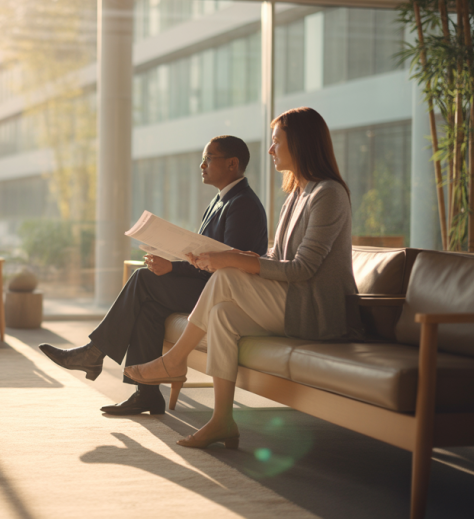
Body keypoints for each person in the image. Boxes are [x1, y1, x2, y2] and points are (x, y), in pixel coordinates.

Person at [125, 107, 360, 448]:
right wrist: (230, 258)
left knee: (226, 276)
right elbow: (277, 258)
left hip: (315, 311)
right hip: (290, 301)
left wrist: (231, 260)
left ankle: (174, 361)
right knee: (222, 314)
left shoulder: (329, 194)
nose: (270, 150)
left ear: (301, 143)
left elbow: (302, 269)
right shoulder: (296, 195)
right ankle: (222, 420)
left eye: (276, 141)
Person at [39, 135, 268, 415]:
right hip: (205, 286)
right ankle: (146, 394)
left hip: (221, 294)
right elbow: (205, 255)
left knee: (142, 280)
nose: (202, 164)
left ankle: (93, 353)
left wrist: (173, 266)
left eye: (209, 158)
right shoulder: (221, 201)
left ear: (232, 164)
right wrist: (171, 257)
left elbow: (229, 265)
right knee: (148, 304)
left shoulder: (242, 204)